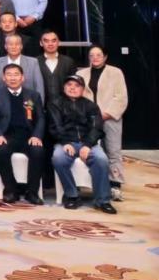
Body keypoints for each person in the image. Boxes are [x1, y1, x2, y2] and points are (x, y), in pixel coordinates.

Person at [49, 73, 116, 214]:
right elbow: (55, 126)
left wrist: (87, 145)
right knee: (58, 158)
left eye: (77, 86)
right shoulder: (55, 104)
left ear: (83, 89)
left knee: (101, 159)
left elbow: (96, 128)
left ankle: (103, 200)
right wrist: (65, 142)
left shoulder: (91, 106)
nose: (72, 88)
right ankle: (72, 195)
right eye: (69, 85)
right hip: (66, 142)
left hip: (88, 143)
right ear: (64, 87)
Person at [0, 62, 46, 204]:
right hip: (7, 135)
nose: (12, 78)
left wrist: (37, 136)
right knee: (0, 149)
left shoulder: (33, 95)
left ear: (23, 78)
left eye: (16, 74)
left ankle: (32, 192)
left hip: (28, 135)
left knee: (38, 151)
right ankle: (11, 190)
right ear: (4, 78)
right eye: (9, 75)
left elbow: (41, 118)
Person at [77, 46, 128, 202]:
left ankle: (115, 185)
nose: (95, 58)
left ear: (105, 57)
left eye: (99, 55)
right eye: (92, 55)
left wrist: (105, 115)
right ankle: (94, 183)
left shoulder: (116, 72)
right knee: (92, 151)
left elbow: (121, 97)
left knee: (113, 151)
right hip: (88, 119)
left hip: (110, 117)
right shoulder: (81, 74)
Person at [0, 34, 45, 100]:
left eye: (17, 44)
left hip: (28, 103)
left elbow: (39, 86)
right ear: (5, 46)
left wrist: (39, 104)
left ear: (21, 46)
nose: (14, 47)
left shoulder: (33, 62)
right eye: (10, 44)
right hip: (3, 102)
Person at [38, 30, 78, 107]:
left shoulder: (68, 61)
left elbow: (74, 84)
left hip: (66, 106)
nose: (50, 44)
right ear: (41, 43)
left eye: (53, 41)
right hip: (42, 106)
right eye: (46, 41)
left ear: (58, 42)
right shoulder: (35, 62)